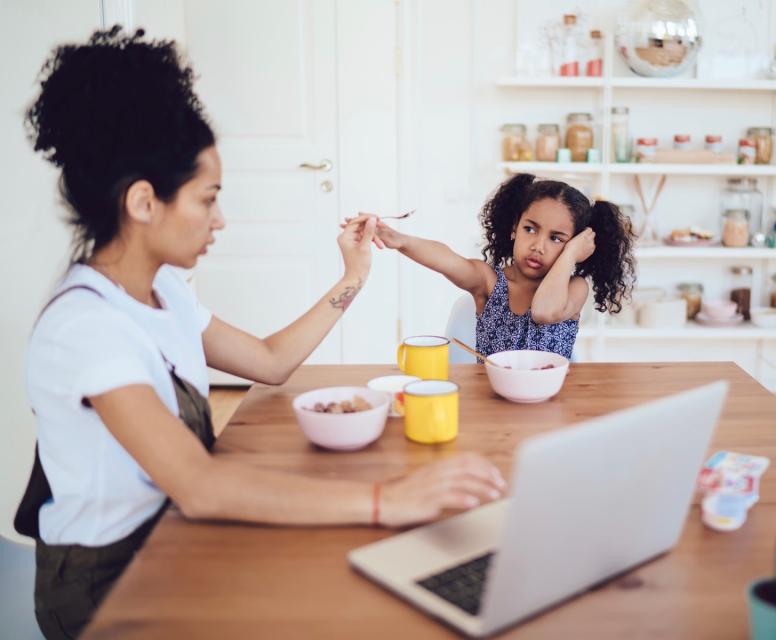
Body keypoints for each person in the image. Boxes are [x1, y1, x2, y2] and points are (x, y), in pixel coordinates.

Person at [17, 27, 504, 639]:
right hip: (102, 584)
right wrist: (389, 500)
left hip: (170, 534)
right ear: (144, 203)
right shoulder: (85, 327)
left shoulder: (163, 290)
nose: (220, 220)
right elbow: (198, 486)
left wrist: (353, 274)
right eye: (207, 199)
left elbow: (271, 362)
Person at [369, 173, 635, 359]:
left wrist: (570, 256)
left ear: (575, 246)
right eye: (530, 229)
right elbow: (447, 259)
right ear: (513, 229)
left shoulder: (574, 288)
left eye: (556, 238)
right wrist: (399, 240)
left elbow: (543, 311)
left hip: (550, 407)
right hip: (492, 405)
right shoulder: (490, 282)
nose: (538, 246)